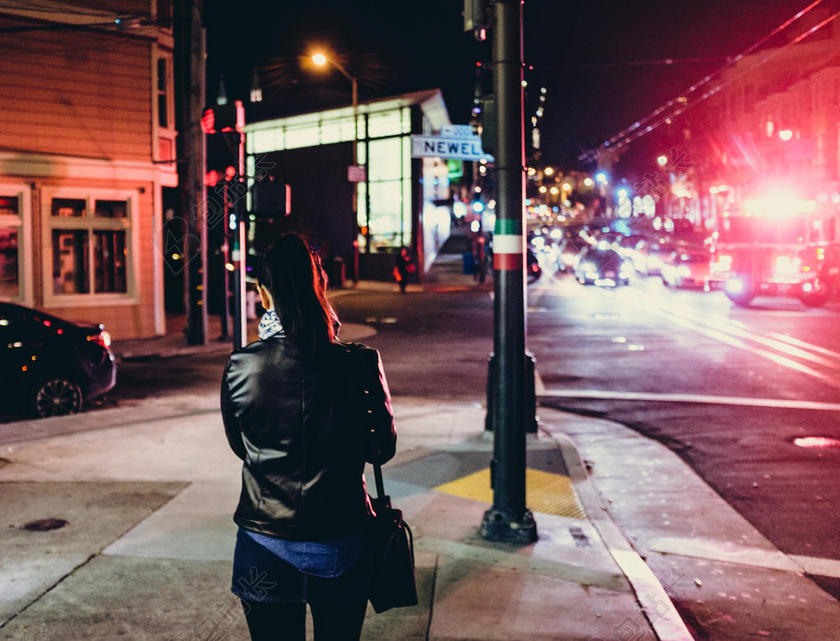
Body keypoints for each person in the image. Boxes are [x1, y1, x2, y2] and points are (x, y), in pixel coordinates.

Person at [221, 233, 397, 641]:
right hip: (341, 539)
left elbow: (240, 445)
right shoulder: (360, 363)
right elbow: (381, 449)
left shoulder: (240, 365)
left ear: (265, 295)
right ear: (319, 287)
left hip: (263, 539)